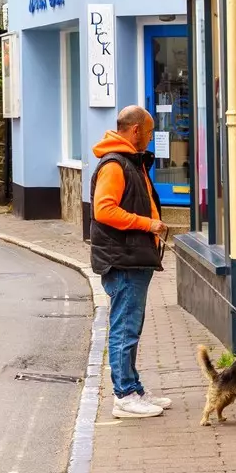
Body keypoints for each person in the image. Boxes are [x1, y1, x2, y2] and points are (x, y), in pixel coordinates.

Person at [93, 105, 172, 419]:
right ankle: (124, 395)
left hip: (133, 257)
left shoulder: (128, 162)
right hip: (122, 259)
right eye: (150, 132)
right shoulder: (115, 164)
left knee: (130, 327)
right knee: (125, 328)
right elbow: (104, 210)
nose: (151, 139)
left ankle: (134, 387)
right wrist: (147, 224)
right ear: (136, 130)